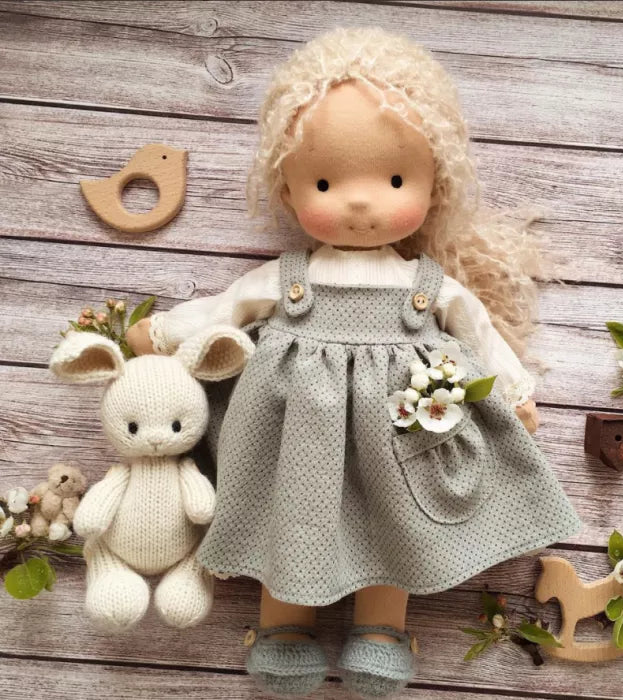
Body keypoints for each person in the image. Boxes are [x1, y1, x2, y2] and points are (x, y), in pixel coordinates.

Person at [127, 26, 583, 699]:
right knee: (293, 519)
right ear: (288, 190)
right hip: (296, 437)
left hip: (402, 434)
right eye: (324, 181)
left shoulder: (426, 285)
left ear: (435, 183)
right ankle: (284, 628)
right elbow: (228, 310)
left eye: (395, 179)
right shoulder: (287, 279)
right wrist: (167, 334)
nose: (361, 200)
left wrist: (514, 391)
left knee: (398, 520)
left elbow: (477, 330)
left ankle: (381, 631)